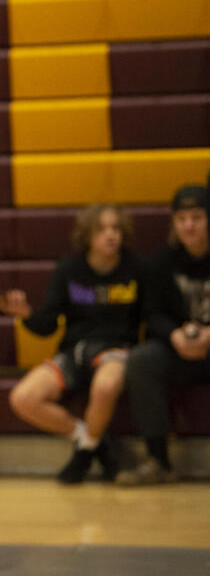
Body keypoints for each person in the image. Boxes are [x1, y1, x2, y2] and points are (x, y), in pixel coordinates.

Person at [0, 203, 144, 484]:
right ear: (87, 235)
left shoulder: (137, 268)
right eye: (102, 229)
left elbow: (152, 314)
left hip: (116, 350)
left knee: (105, 386)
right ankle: (91, 443)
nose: (111, 235)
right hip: (74, 352)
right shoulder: (68, 269)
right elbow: (48, 325)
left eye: (115, 228)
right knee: (22, 398)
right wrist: (27, 315)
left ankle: (83, 455)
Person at [117, 184, 210, 486]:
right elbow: (152, 314)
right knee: (142, 361)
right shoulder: (160, 261)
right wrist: (175, 336)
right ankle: (159, 460)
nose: (189, 225)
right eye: (182, 218)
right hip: (179, 348)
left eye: (197, 217)